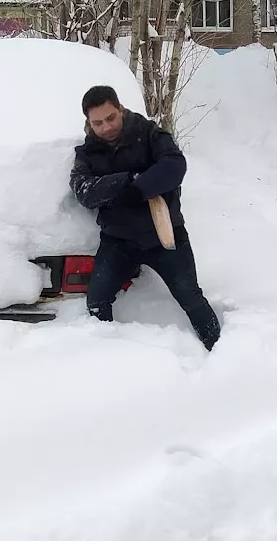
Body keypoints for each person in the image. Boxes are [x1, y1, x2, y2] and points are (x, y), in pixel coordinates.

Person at [70, 84, 221, 350]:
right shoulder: (86, 153)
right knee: (96, 302)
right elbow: (83, 191)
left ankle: (220, 349)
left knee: (191, 297)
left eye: (110, 118)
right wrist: (126, 181)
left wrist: (139, 189)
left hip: (165, 236)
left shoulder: (149, 134)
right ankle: (107, 354)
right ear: (88, 122)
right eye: (98, 123)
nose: (106, 127)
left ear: (120, 109)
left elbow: (175, 166)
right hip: (118, 241)